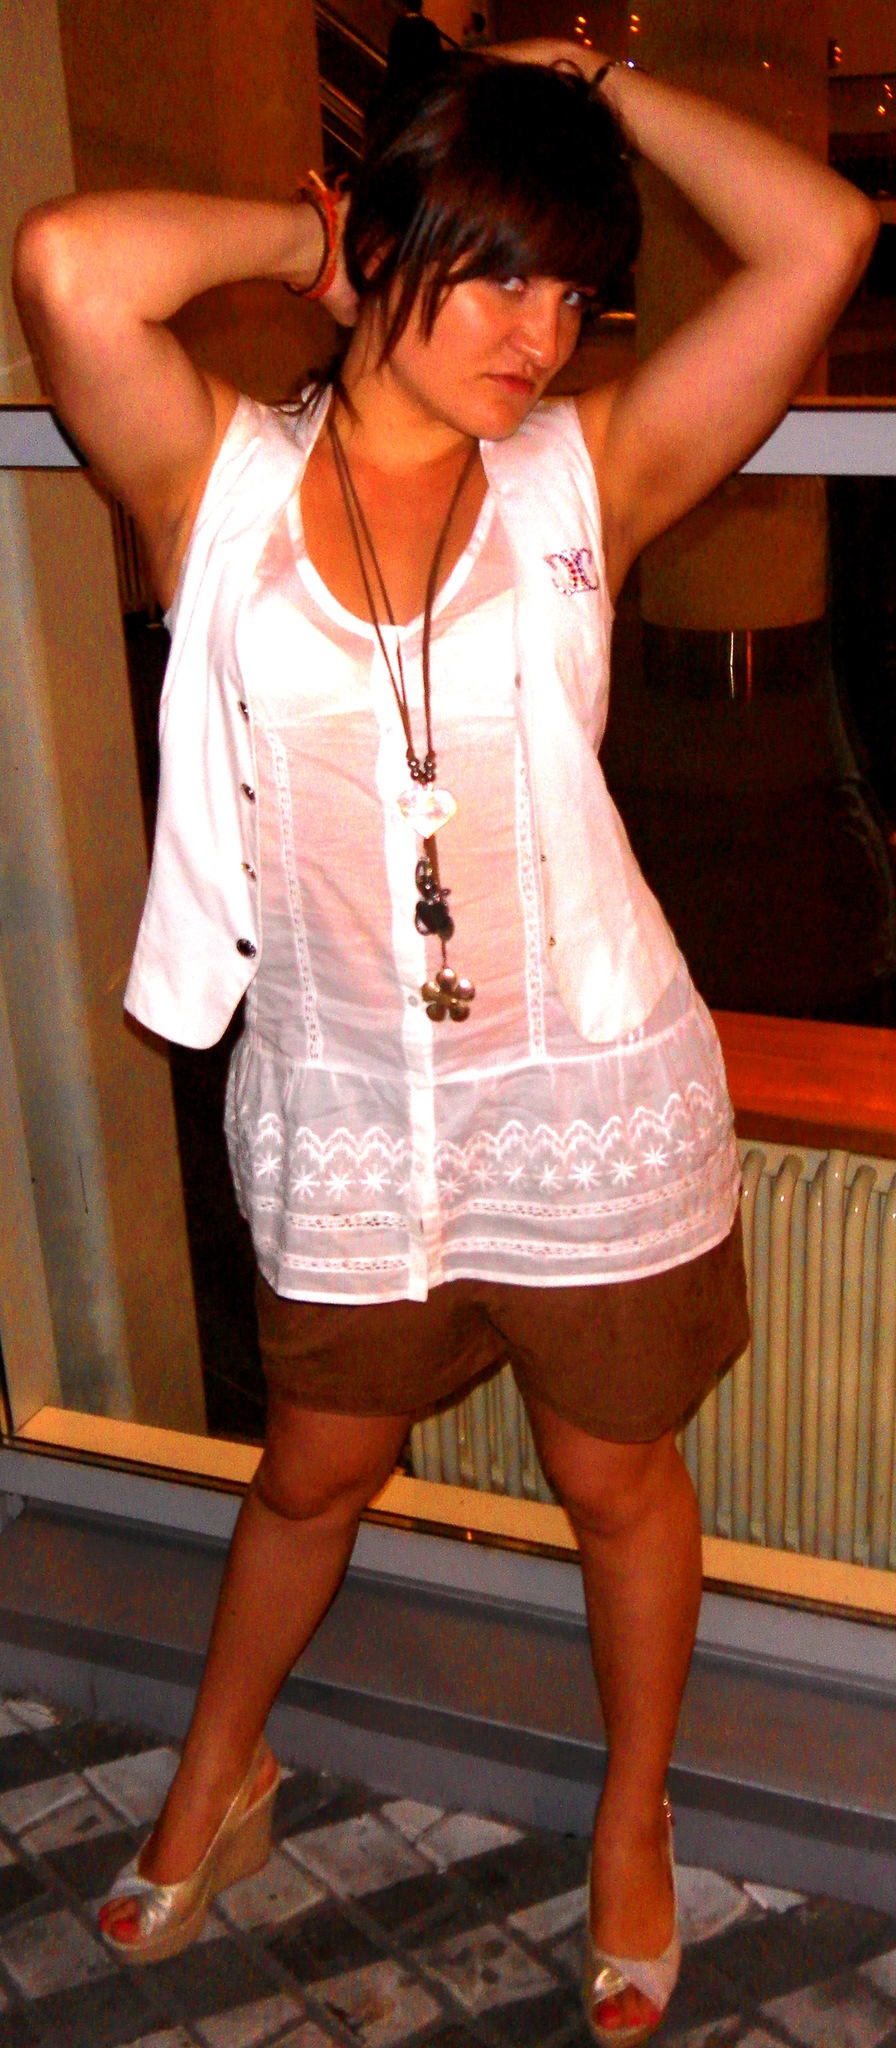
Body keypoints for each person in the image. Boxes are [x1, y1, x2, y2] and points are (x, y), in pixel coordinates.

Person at [14, 43, 875, 2046]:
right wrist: (301, 240)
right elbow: (65, 266)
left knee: (615, 1478)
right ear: (388, 240)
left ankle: (633, 1817)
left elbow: (823, 239)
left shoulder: (588, 473)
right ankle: (219, 1774)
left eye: (573, 288)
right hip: (348, 1112)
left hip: (585, 1098)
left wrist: (613, 84)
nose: (538, 330)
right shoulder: (214, 482)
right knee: (311, 1467)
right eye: (492, 271)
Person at [386, 0, 443, 95]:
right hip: (422, 83)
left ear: (406, 6)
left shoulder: (400, 26)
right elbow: (437, 56)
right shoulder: (430, 27)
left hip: (402, 81)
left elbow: (394, 56)